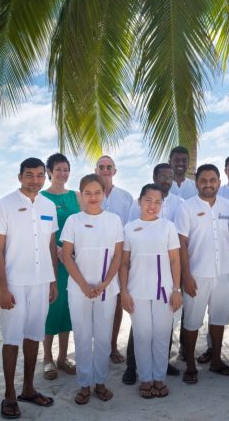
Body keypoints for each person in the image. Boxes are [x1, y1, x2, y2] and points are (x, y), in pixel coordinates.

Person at [0, 158, 58, 418]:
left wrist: (52, 281)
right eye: (30, 175)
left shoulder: (48, 205)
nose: (35, 180)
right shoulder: (3, 205)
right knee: (11, 339)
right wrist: (3, 288)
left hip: (41, 282)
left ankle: (28, 389)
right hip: (15, 283)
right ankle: (9, 394)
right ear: (20, 177)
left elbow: (51, 246)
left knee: (34, 336)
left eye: (40, 175)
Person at [61, 174, 125, 405]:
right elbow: (66, 256)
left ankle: (100, 382)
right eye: (87, 193)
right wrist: (83, 285)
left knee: (103, 337)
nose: (93, 197)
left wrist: (105, 283)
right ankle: (84, 384)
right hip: (79, 289)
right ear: (81, 195)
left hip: (106, 289)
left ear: (104, 194)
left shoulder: (114, 220)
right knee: (82, 336)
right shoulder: (73, 221)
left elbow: (118, 255)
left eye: (97, 192)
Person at [177, 164, 229, 384]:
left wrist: (223, 247)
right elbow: (181, 244)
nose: (208, 184)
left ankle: (216, 361)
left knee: (219, 318)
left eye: (212, 180)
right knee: (192, 320)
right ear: (196, 183)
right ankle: (191, 365)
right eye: (203, 180)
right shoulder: (187, 208)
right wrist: (186, 275)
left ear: (219, 182)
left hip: (223, 272)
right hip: (197, 274)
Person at [120, 184, 183, 398]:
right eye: (148, 200)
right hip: (137, 291)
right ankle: (145, 379)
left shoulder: (168, 227)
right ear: (139, 201)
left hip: (164, 292)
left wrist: (176, 289)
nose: (152, 206)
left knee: (161, 336)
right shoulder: (129, 228)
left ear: (162, 205)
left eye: (157, 202)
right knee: (142, 335)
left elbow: (175, 260)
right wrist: (124, 293)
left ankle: (159, 378)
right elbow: (124, 263)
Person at [198, 154, 229, 364]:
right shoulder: (217, 193)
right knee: (214, 301)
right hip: (217, 259)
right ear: (225, 172)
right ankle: (212, 347)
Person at [41, 153, 79, 381]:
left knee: (68, 310)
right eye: (58, 170)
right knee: (51, 308)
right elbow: (40, 229)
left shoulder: (76, 196)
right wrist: (55, 248)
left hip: (73, 262)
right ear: (49, 172)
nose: (62, 174)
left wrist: (70, 250)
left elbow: (83, 225)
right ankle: (47, 358)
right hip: (51, 262)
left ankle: (63, 357)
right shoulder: (41, 197)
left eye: (66, 169)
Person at [96, 155, 134, 365]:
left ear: (115, 170)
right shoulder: (88, 194)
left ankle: (112, 345)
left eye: (109, 166)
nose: (105, 170)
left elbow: (129, 229)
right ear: (96, 170)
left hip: (119, 257)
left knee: (118, 301)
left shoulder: (126, 197)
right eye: (101, 167)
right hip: (93, 257)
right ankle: (97, 346)